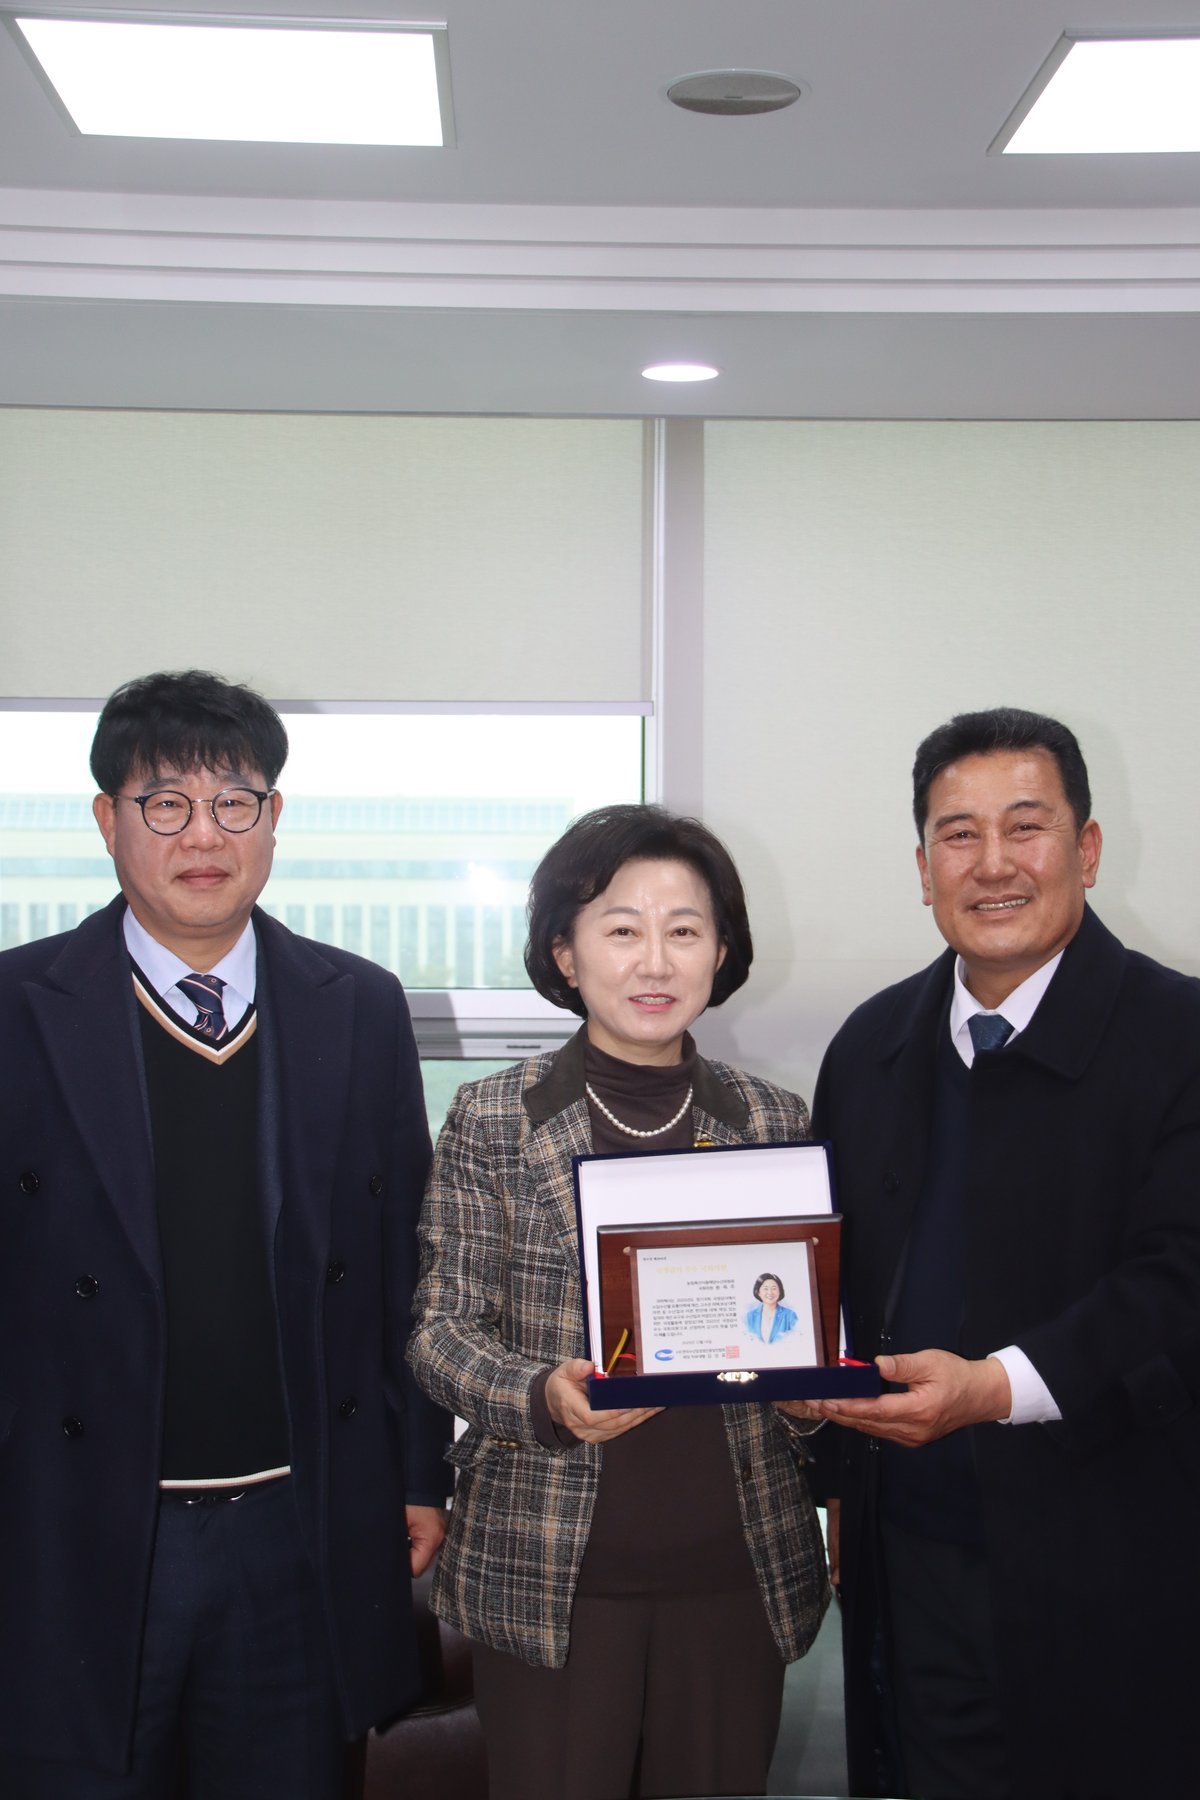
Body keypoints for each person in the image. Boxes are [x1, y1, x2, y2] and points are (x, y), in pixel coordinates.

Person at [0, 670, 450, 1798]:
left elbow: (401, 1265)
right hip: (74, 1524)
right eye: (165, 804)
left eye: (233, 802)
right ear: (106, 819)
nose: (203, 836)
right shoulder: (16, 1008)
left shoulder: (357, 1004)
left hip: (298, 1523)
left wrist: (417, 1476)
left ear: (274, 817)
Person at [808, 706, 1200, 1800]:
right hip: (912, 1550)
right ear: (922, 866)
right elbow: (833, 1283)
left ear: (1087, 848)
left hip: (1125, 1549)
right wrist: (834, 1480)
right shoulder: (871, 1045)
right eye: (958, 834)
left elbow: (1182, 1278)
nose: (992, 865)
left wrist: (995, 1389)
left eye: (1025, 827)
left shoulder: (1181, 1036)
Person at [408, 803, 828, 1800]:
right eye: (622, 929)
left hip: (736, 1574)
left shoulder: (773, 1119)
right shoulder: (492, 1117)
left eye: (684, 930)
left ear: (720, 950)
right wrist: (543, 1394)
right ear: (566, 950)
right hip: (552, 1576)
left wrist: (813, 1394)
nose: (655, 961)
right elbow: (439, 1332)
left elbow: (801, 1323)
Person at [744, 1273, 798, 1344]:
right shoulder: (750, 1317)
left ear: (780, 1292)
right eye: (765, 1289)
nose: (770, 1292)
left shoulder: (790, 1315)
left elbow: (796, 1340)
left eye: (774, 1288)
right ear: (758, 1292)